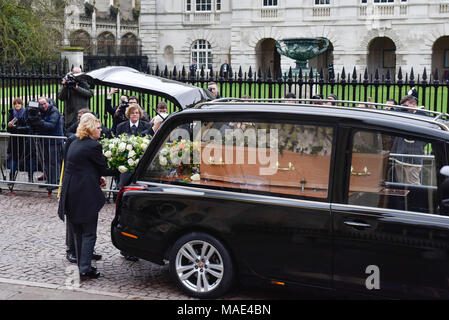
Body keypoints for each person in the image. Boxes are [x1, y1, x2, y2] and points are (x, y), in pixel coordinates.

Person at [57, 113, 118, 280]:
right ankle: (85, 268)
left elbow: (83, 166)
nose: (101, 131)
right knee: (89, 232)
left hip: (70, 192)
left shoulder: (73, 142)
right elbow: (104, 167)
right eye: (98, 128)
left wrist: (96, 175)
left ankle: (80, 264)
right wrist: (123, 167)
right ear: (91, 129)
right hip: (85, 194)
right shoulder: (93, 146)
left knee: (77, 231)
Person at [27, 97, 64, 193]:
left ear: (48, 102)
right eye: (41, 104)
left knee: (54, 162)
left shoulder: (54, 111)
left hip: (54, 141)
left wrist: (39, 121)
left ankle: (55, 182)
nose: (43, 106)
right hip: (44, 140)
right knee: (45, 161)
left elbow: (51, 126)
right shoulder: (40, 111)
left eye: (45, 103)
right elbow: (34, 125)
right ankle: (49, 181)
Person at [6, 98, 35, 183]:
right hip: (14, 140)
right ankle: (11, 177)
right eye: (15, 104)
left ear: (21, 104)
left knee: (29, 158)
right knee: (14, 158)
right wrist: (9, 126)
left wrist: (18, 128)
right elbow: (8, 129)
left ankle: (30, 177)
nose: (17, 105)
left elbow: (29, 127)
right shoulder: (11, 113)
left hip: (25, 140)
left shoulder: (26, 113)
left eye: (18, 103)